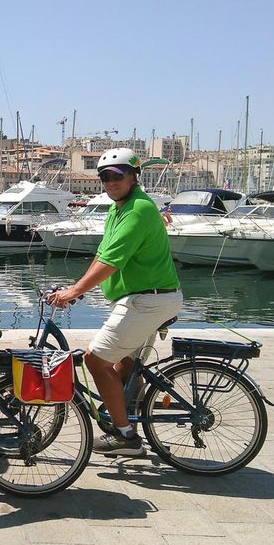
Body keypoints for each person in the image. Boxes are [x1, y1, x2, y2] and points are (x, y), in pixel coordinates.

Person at [46, 148, 182, 456]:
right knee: (121, 365)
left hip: (147, 301)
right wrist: (75, 287)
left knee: (95, 361)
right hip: (143, 298)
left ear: (134, 176)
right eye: (105, 176)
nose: (110, 182)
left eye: (117, 175)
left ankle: (125, 437)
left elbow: (112, 263)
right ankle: (128, 411)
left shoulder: (136, 210)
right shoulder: (118, 210)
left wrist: (75, 292)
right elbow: (102, 255)